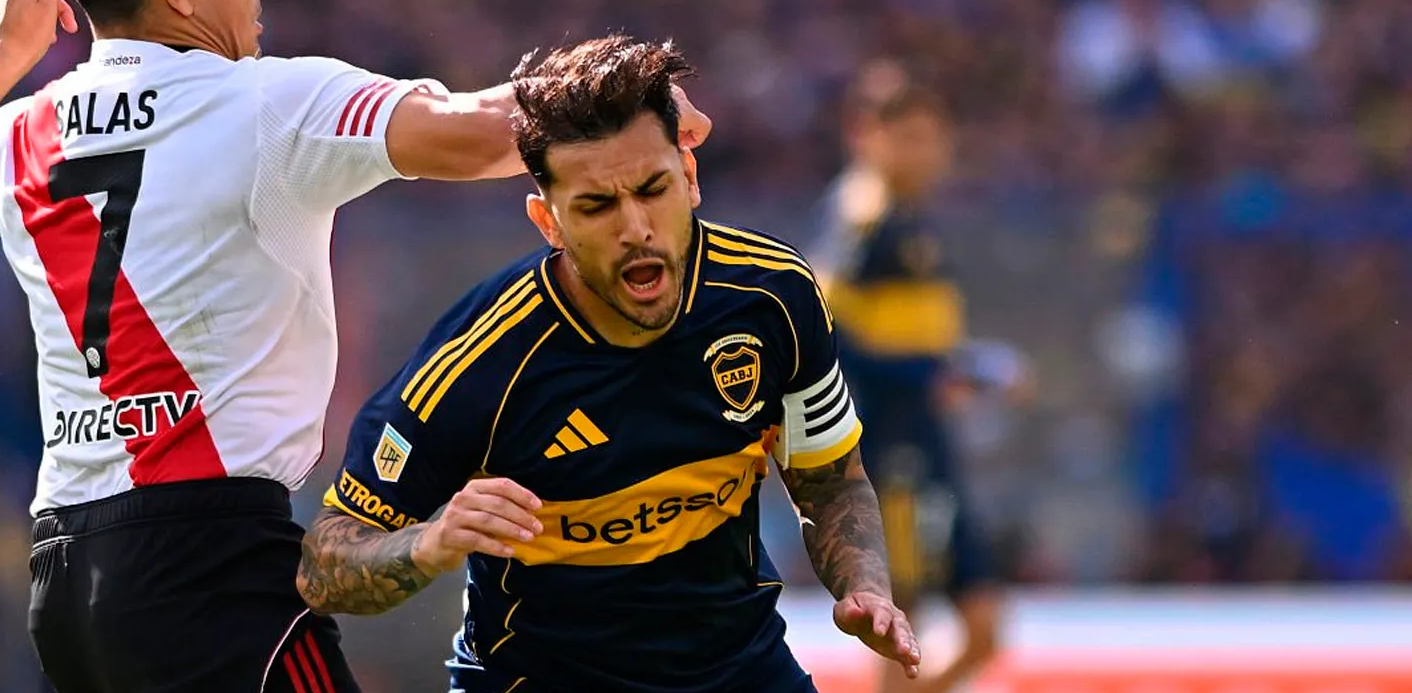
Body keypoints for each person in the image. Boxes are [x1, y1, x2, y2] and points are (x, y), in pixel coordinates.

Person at [0, 0, 711, 693]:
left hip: (65, 574)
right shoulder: (268, 106)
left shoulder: (13, 134)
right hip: (208, 564)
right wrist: (631, 97)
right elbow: (481, 131)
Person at [296, 35, 920, 693]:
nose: (635, 228)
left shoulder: (774, 298)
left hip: (742, 674)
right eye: (596, 206)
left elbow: (830, 481)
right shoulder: (480, 364)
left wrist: (864, 586)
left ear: (690, 178)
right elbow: (324, 566)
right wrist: (428, 542)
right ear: (549, 222)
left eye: (653, 189)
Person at [810, 61, 1026, 693]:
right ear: (865, 136)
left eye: (931, 136)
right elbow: (827, 335)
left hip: (928, 442)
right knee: (903, 625)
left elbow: (912, 336)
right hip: (889, 449)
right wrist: (943, 375)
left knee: (982, 625)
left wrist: (958, 369)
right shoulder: (863, 218)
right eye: (906, 136)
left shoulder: (905, 217)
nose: (924, 153)